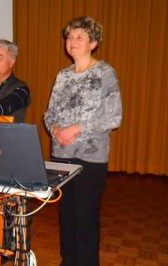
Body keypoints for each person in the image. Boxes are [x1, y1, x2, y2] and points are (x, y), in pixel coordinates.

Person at [44, 16, 122, 266]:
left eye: (80, 37)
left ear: (94, 43)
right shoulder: (62, 76)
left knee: (85, 217)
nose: (72, 41)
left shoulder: (104, 73)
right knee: (67, 216)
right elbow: (49, 114)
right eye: (70, 36)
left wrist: (75, 129)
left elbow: (114, 117)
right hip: (62, 154)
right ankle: (68, 262)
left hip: (90, 156)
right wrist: (55, 128)